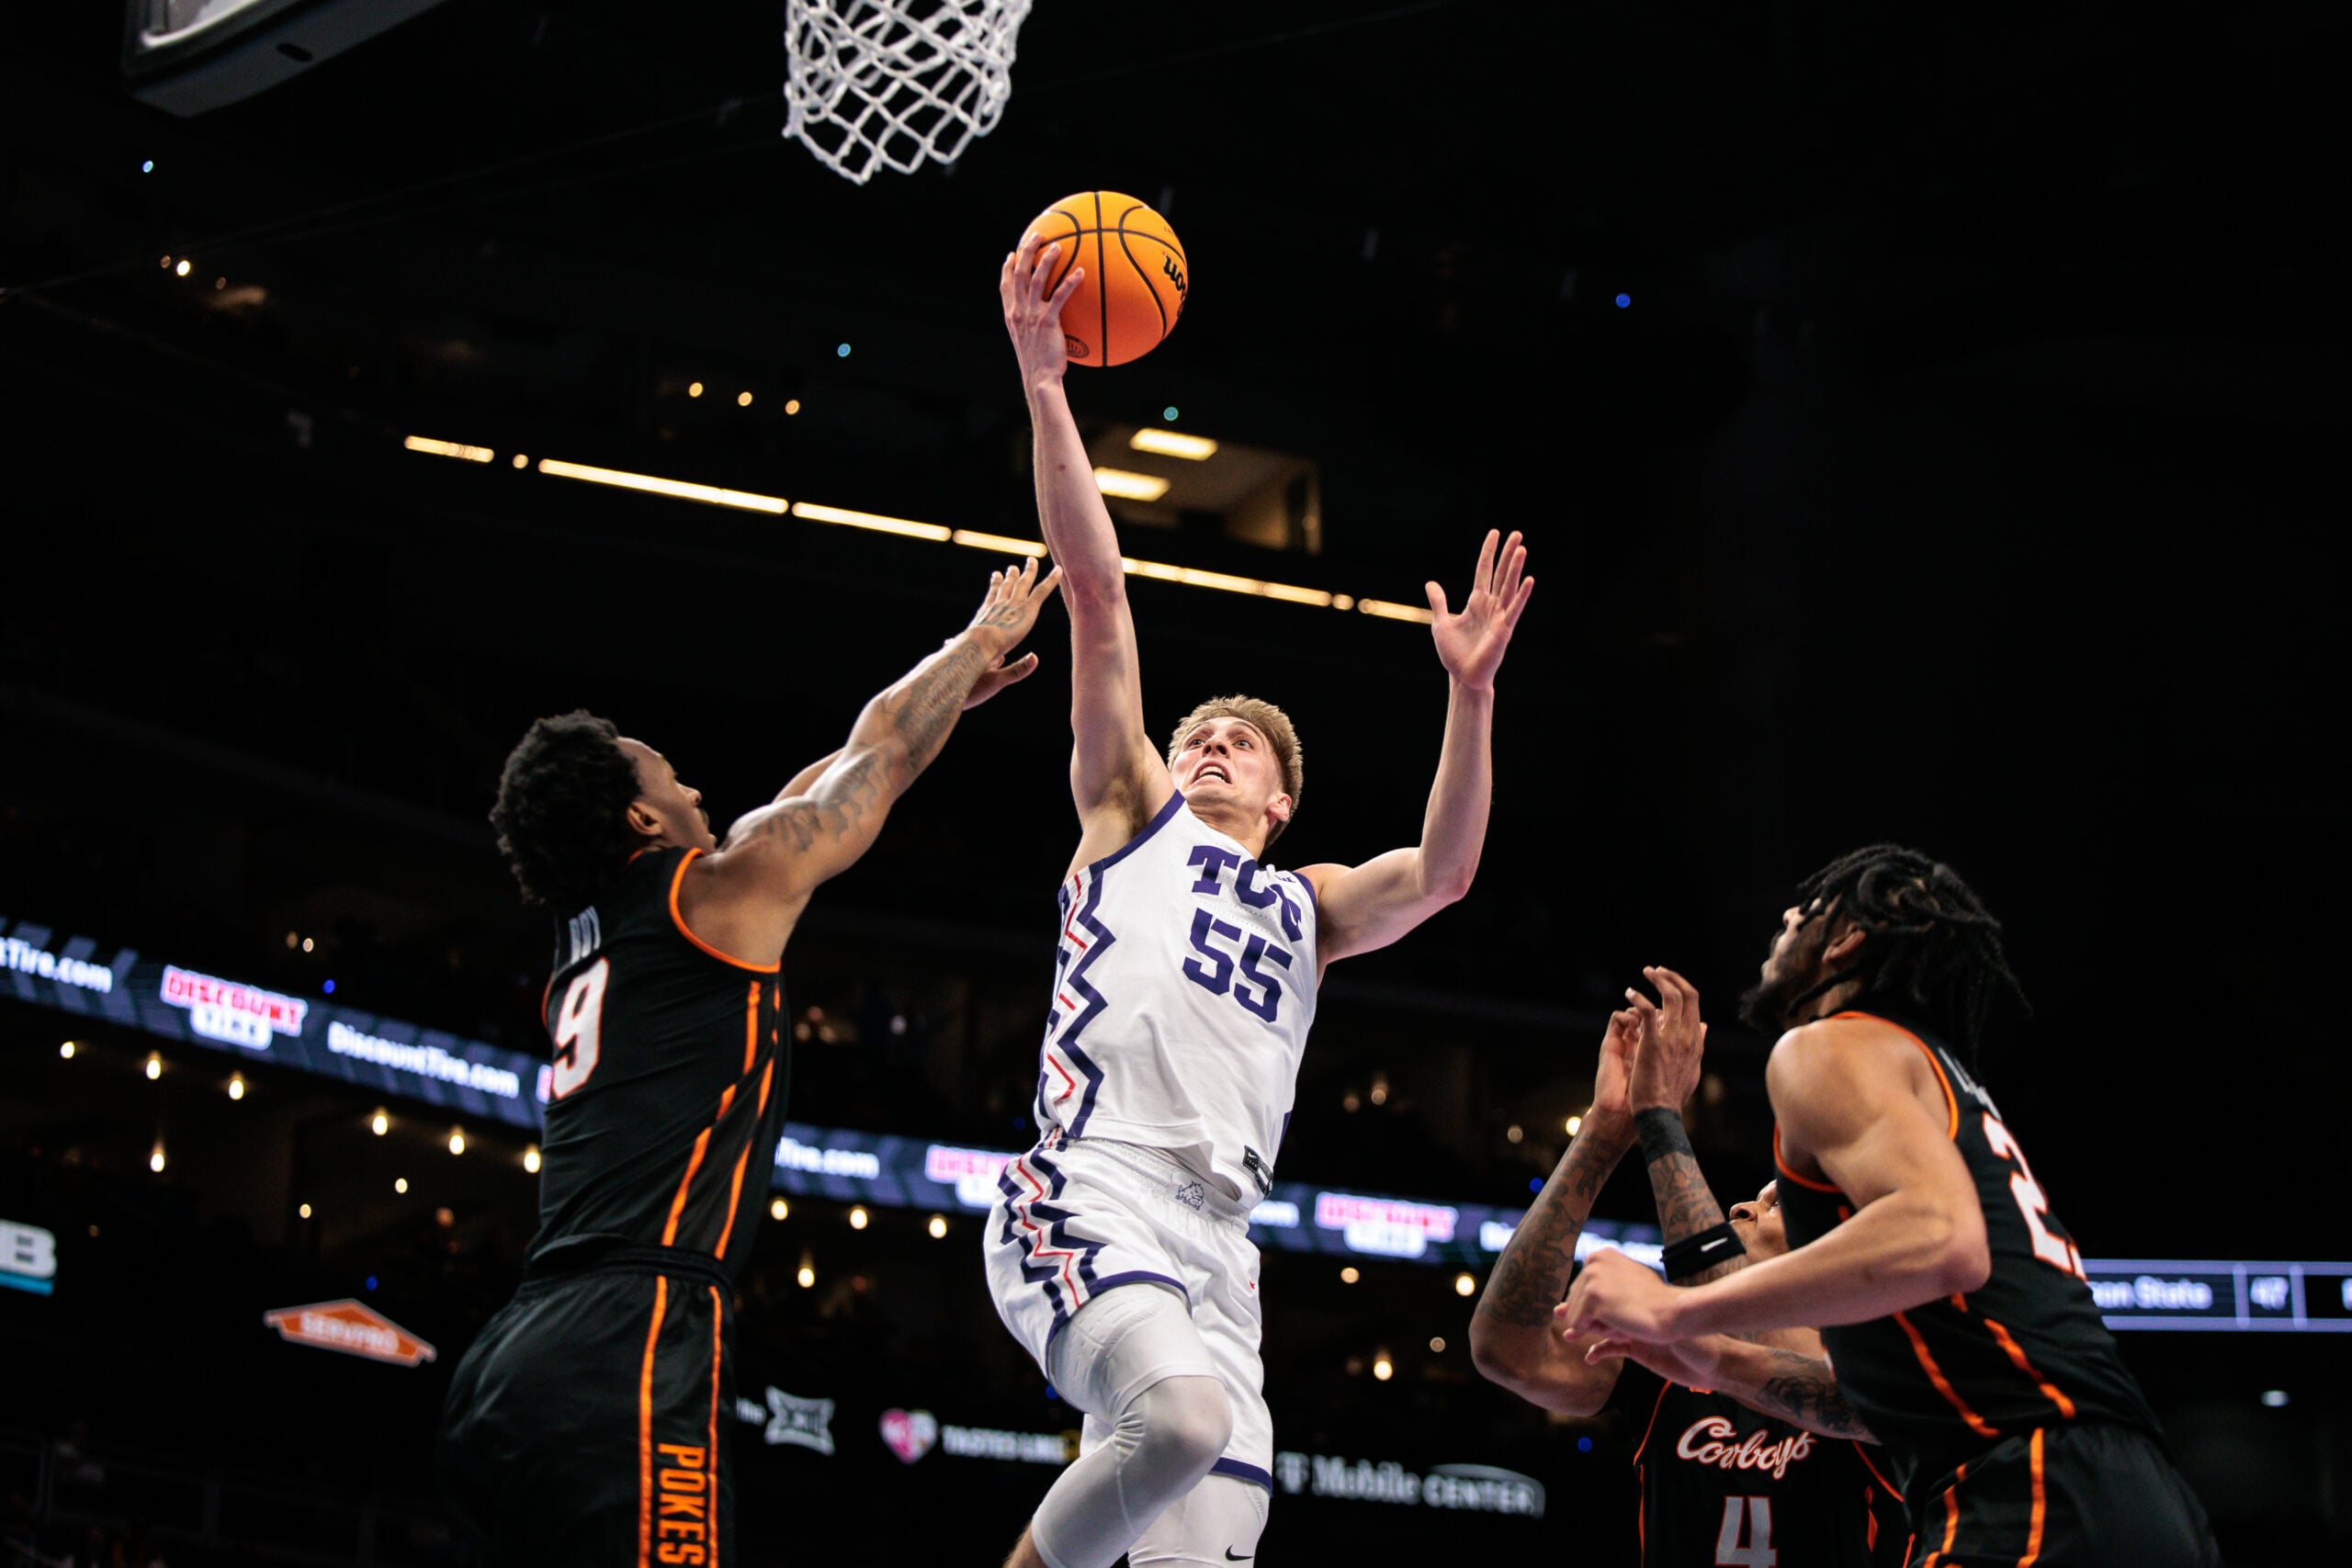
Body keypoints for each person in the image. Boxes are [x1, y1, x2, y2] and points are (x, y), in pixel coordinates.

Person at [988, 232, 1536, 1568]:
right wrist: (1046, 382)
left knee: (1210, 1542)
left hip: (1225, 1240)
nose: (1211, 745)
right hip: (1096, 1181)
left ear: (1284, 801)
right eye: (1202, 734)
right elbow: (1102, 599)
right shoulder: (1130, 816)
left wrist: (1470, 695)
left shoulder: (1310, 902)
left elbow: (1448, 870)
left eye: (1245, 744)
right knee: (1171, 1420)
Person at [437, 560, 1060, 1568]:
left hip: (507, 1359)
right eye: (671, 779)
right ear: (642, 822)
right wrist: (980, 639)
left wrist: (946, 692)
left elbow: (841, 767)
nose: (694, 788)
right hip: (628, 1332)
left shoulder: (590, 945)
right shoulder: (715, 893)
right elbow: (880, 758)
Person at [1563, 846, 2220, 1566]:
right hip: (2131, 1494)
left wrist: (1674, 1309)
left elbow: (1944, 1238)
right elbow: (1876, 1398)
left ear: (1847, 942)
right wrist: (1714, 1358)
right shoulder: (1934, 1078)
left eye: (1809, 910)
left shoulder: (1825, 1047)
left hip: (2029, 1493)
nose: (1785, 915)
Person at [1472, 970, 1909, 1566]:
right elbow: (1505, 1347)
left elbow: (1732, 1327)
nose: (1742, 1206)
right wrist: (1605, 1129)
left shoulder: (1882, 1360)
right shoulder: (1666, 1350)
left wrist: (1659, 1115)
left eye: (1776, 1200)